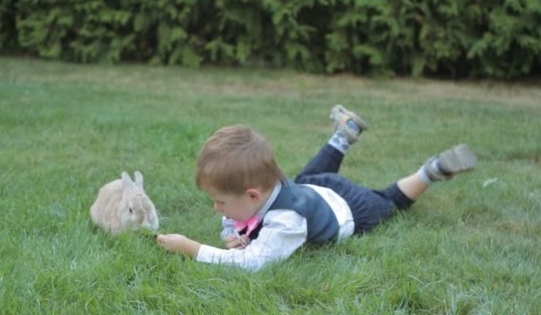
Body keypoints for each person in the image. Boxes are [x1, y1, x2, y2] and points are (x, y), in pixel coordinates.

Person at [156, 106, 477, 272]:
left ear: (253, 195)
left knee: (388, 201)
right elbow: (240, 219)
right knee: (311, 174)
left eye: (220, 202)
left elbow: (253, 264)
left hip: (351, 209)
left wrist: (192, 248)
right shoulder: (270, 185)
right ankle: (344, 135)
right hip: (316, 188)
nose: (216, 209)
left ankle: (431, 171)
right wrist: (234, 231)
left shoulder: (286, 221)